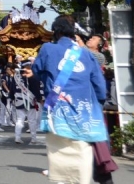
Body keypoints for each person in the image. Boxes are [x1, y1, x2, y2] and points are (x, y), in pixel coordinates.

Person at [31, 16, 108, 184]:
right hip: (84, 112)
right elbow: (99, 86)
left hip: (57, 111)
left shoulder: (47, 49)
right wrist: (98, 104)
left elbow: (36, 71)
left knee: (60, 156)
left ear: (56, 32)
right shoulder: (86, 54)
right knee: (82, 153)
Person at [13, 60, 42, 144]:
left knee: (20, 120)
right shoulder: (33, 77)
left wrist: (11, 98)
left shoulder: (16, 77)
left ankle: (17, 137)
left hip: (18, 100)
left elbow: (12, 89)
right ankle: (33, 138)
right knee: (32, 120)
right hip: (30, 100)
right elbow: (36, 89)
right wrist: (39, 98)